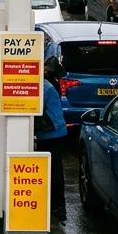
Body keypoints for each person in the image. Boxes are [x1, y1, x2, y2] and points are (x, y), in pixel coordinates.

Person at [36, 57, 70, 222]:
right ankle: (55, 207)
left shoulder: (44, 86)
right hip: (52, 132)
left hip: (52, 133)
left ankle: (57, 208)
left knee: (53, 173)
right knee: (53, 171)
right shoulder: (49, 84)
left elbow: (35, 107)